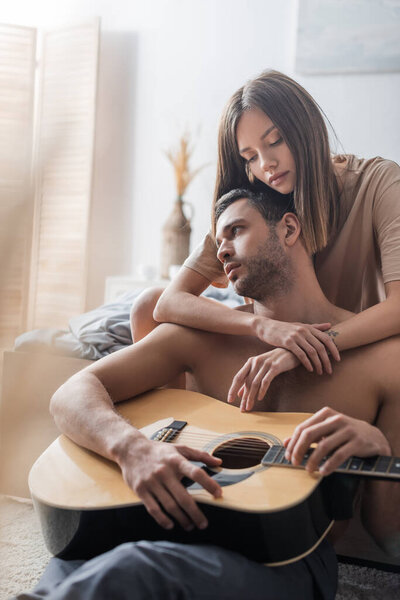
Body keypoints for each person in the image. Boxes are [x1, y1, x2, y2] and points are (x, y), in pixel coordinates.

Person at [20, 189, 400, 600]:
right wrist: (132, 448)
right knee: (76, 554)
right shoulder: (198, 339)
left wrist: (378, 449)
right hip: (168, 517)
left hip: (284, 558)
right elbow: (72, 393)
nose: (223, 253)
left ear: (289, 228)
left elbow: (390, 535)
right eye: (217, 244)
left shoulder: (385, 360)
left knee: (136, 570)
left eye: (236, 231)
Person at [131, 70, 400, 391]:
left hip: (350, 335)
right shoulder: (257, 198)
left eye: (275, 141)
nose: (266, 164)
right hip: (280, 329)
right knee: (147, 305)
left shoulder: (379, 182)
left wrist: (309, 346)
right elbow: (169, 302)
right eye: (251, 157)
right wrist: (260, 326)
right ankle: (175, 422)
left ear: (305, 129)